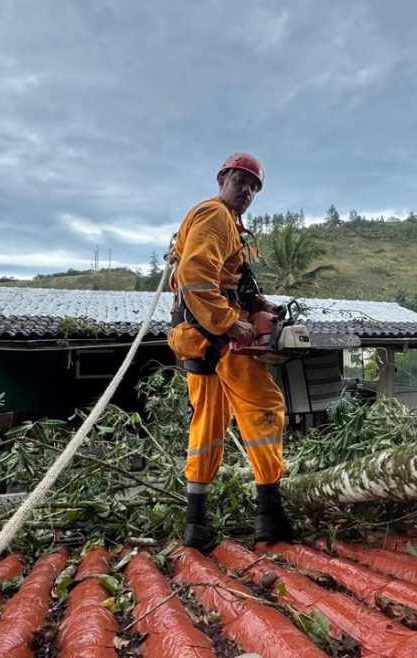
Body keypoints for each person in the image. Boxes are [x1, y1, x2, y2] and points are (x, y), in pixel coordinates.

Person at [167, 152, 296, 549]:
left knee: (206, 427)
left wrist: (260, 304)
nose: (247, 191)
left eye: (254, 188)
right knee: (264, 408)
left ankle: (196, 524)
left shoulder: (228, 225)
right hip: (218, 337)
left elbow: (228, 280)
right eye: (241, 182)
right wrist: (228, 322)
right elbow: (194, 274)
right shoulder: (215, 214)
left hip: (195, 336)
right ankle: (270, 516)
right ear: (222, 178)